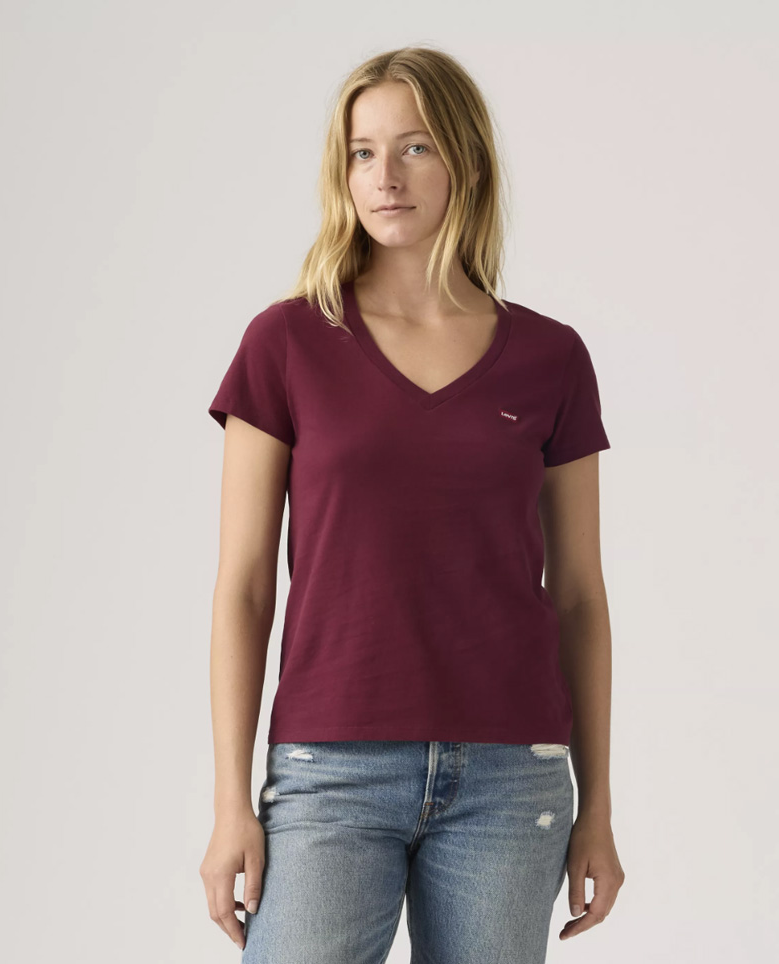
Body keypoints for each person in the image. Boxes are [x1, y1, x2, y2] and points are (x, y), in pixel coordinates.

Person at [199, 44, 625, 963]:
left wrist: (597, 808)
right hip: (329, 772)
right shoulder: (286, 344)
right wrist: (232, 801)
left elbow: (579, 597)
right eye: (362, 152)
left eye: (414, 147)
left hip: (511, 779)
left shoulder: (551, 359)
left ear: (465, 160)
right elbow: (244, 588)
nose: (384, 176)